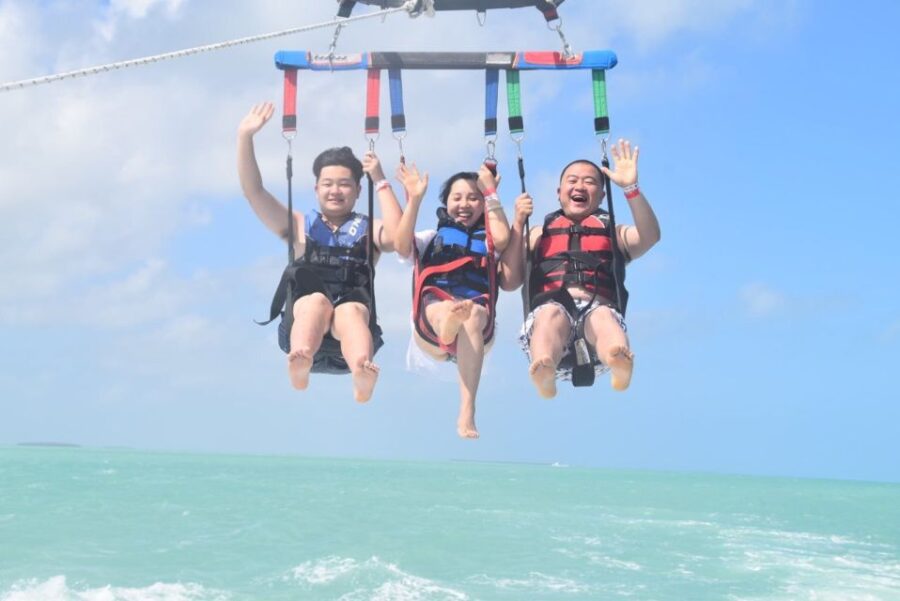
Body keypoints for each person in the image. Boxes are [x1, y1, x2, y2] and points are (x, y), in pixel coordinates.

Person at [237, 101, 403, 402]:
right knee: (315, 302)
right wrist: (245, 137)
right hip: (301, 333)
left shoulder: (372, 229)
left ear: (357, 191)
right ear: (316, 189)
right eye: (327, 184)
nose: (335, 190)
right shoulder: (299, 226)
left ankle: (361, 373)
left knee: (349, 311)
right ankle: (299, 362)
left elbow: (400, 238)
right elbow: (254, 192)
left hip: (351, 340)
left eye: (344, 184)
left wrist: (380, 179)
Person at [499, 139, 660, 398]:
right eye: (572, 180)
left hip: (596, 335)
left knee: (602, 318)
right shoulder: (538, 234)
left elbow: (650, 236)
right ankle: (544, 369)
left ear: (602, 195)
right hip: (551, 323)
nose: (580, 185)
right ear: (559, 191)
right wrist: (518, 222)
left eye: (590, 181)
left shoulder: (613, 233)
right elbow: (508, 281)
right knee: (551, 314)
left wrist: (631, 188)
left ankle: (618, 360)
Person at [393, 162, 513, 438]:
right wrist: (414, 199)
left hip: (476, 330)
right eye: (456, 197)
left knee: (470, 313)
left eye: (474, 197)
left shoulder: (491, 242)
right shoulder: (430, 238)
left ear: (484, 204)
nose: (465, 204)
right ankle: (448, 325)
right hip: (430, 327)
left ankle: (467, 411)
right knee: (444, 308)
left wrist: (491, 191)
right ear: (445, 203)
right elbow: (401, 246)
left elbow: (504, 238)